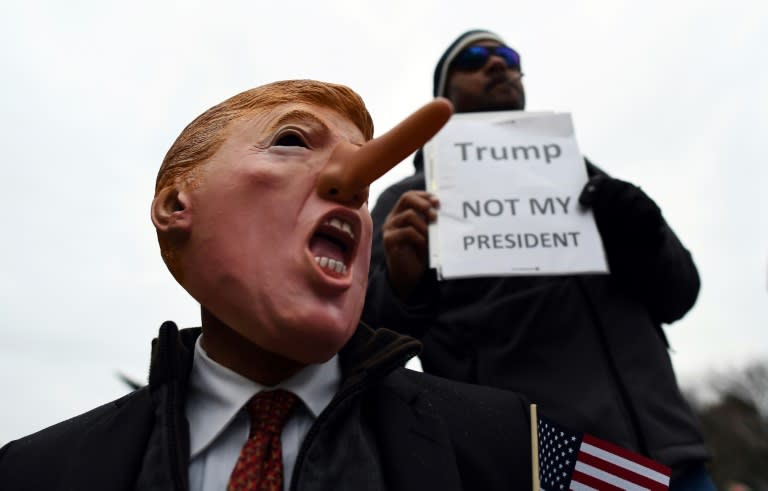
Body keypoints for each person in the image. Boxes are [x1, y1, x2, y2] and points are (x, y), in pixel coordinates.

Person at [0, 80, 533, 490]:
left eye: (365, 191)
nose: (352, 185)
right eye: (293, 140)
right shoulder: (31, 472)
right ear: (175, 206)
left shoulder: (510, 445)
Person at [362, 29, 715, 489]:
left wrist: (645, 234)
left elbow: (680, 295)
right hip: (540, 465)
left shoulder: (587, 177)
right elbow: (365, 336)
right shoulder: (410, 200)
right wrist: (404, 284)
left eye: (509, 57)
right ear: (441, 94)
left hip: (673, 459)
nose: (498, 65)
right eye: (474, 58)